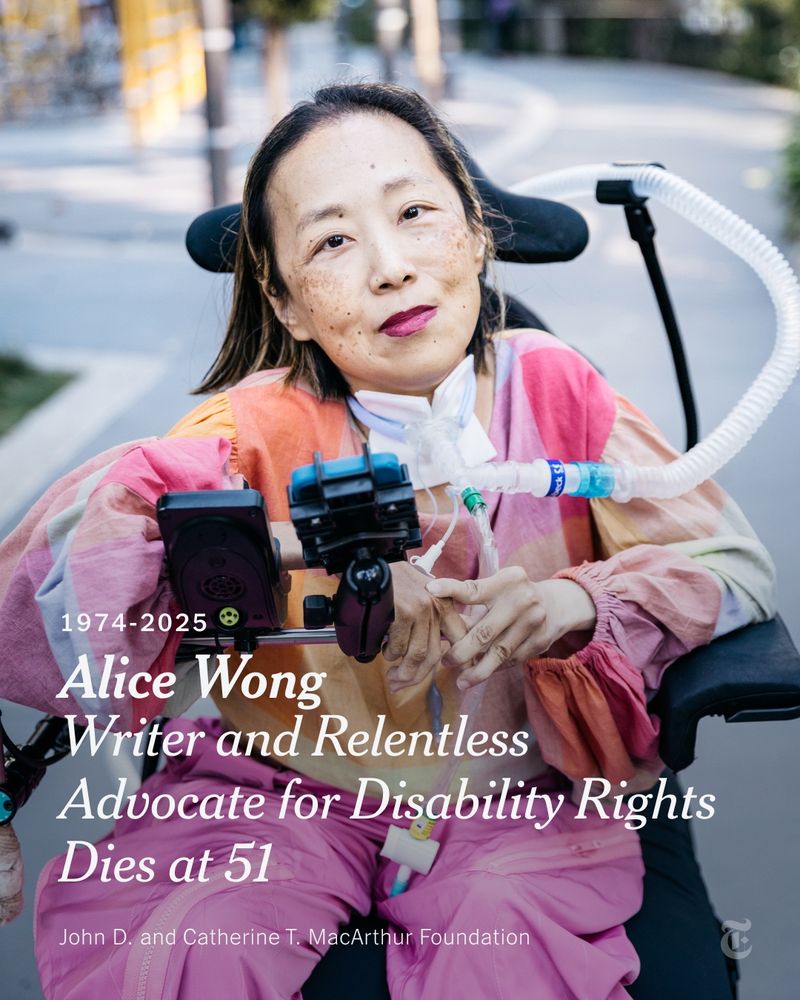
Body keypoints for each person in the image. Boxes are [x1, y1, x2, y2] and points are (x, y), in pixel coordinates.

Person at [0, 83, 776, 999]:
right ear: (286, 303)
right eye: (332, 241)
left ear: (476, 235)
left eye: (413, 214)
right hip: (276, 795)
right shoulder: (247, 432)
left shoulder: (559, 393)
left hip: (518, 800)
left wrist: (574, 602)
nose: (390, 268)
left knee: (504, 957)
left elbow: (731, 566)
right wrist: (319, 551)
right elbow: (69, 572)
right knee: (193, 948)